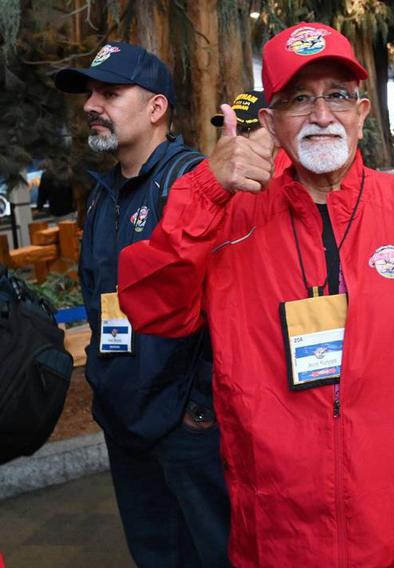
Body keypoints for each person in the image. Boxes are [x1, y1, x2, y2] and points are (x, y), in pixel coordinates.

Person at [117, 23, 394, 568]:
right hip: (282, 535)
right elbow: (152, 307)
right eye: (299, 98)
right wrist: (205, 190)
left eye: (338, 95)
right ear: (268, 122)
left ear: (364, 112)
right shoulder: (227, 220)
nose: (322, 114)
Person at [53, 42, 230, 567]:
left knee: (214, 553)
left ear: (156, 108)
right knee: (156, 555)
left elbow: (227, 309)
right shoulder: (107, 193)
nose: (91, 104)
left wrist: (198, 409)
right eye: (90, 93)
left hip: (187, 425)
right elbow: (97, 298)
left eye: (110, 92)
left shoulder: (195, 184)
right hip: (125, 419)